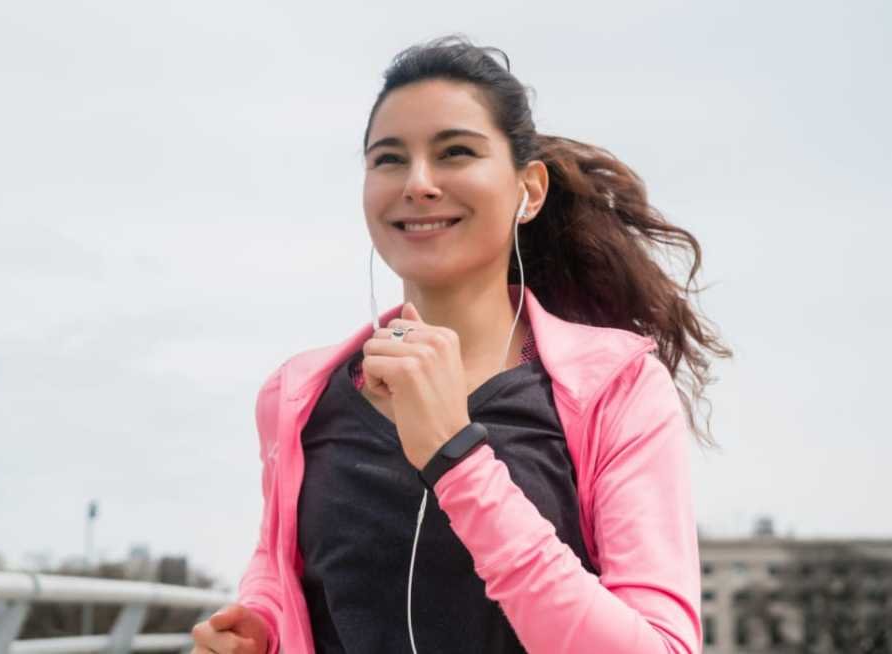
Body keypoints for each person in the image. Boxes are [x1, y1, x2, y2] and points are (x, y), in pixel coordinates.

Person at [191, 36, 729, 654]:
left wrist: (456, 456)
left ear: (529, 190)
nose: (418, 183)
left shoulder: (618, 388)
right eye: (389, 159)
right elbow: (279, 573)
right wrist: (260, 630)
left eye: (455, 152)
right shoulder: (298, 396)